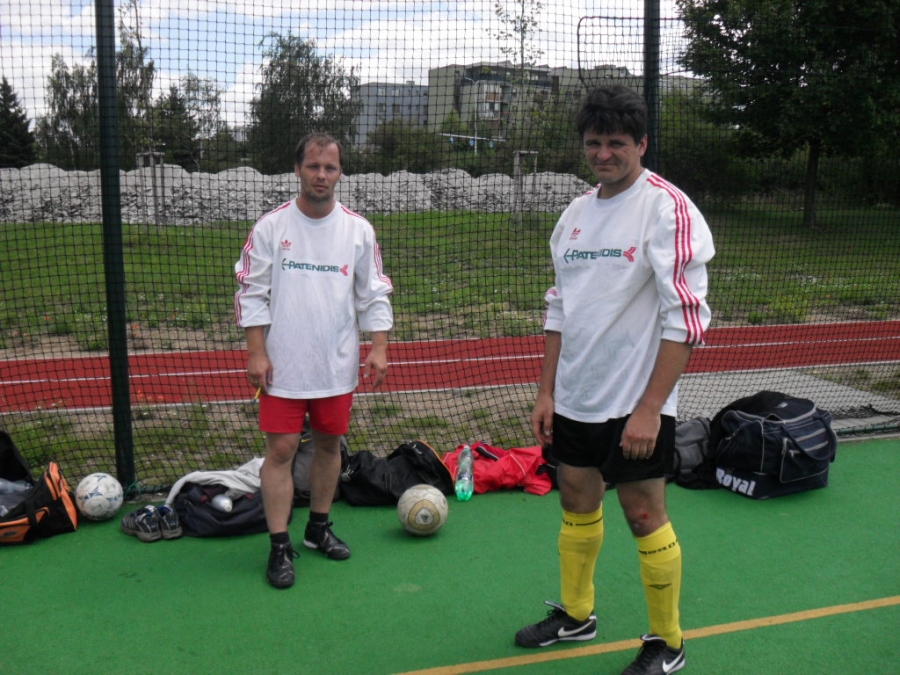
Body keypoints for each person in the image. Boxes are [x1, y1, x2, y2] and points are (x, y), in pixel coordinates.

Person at [515, 86, 714, 675]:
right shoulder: (574, 216)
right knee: (576, 499)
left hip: (635, 401)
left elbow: (687, 320)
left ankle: (668, 643)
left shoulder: (666, 208)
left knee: (644, 514)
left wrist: (650, 408)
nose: (603, 154)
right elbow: (560, 307)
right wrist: (546, 391)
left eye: (616, 143)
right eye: (594, 143)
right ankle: (577, 614)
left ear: (641, 145)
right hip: (576, 395)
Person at [234, 132, 393, 589]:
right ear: (298, 169)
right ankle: (278, 545)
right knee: (281, 451)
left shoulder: (358, 230)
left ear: (340, 173)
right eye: (313, 166)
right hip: (282, 366)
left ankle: (318, 528)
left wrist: (378, 347)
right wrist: (256, 352)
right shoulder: (271, 227)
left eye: (330, 168)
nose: (321, 175)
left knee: (329, 446)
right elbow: (251, 291)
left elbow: (374, 293)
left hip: (335, 365)